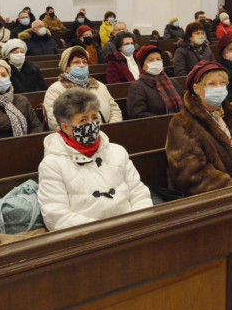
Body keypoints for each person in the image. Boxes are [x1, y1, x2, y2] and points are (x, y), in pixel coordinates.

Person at [37, 89, 152, 230]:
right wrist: (103, 231)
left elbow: (139, 193)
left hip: (132, 227)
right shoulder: (52, 164)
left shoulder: (117, 151)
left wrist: (139, 222)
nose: (91, 124)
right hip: (89, 236)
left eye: (94, 117)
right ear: (66, 128)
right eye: (83, 120)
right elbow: (57, 217)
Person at [165, 60, 232, 195]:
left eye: (222, 83)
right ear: (197, 89)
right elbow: (191, 172)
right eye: (211, 84)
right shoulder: (183, 123)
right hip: (218, 197)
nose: (218, 88)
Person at [44, 46, 122, 130]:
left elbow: (114, 109)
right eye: (76, 62)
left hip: (108, 132)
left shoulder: (99, 85)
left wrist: (112, 128)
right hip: (77, 135)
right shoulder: (55, 89)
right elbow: (54, 120)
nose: (82, 65)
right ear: (66, 67)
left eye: (85, 62)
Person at [127, 45, 182, 119]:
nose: (156, 62)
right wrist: (164, 119)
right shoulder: (137, 87)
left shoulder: (172, 82)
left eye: (158, 59)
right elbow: (137, 113)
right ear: (143, 66)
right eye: (151, 60)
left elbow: (185, 105)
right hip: (156, 124)